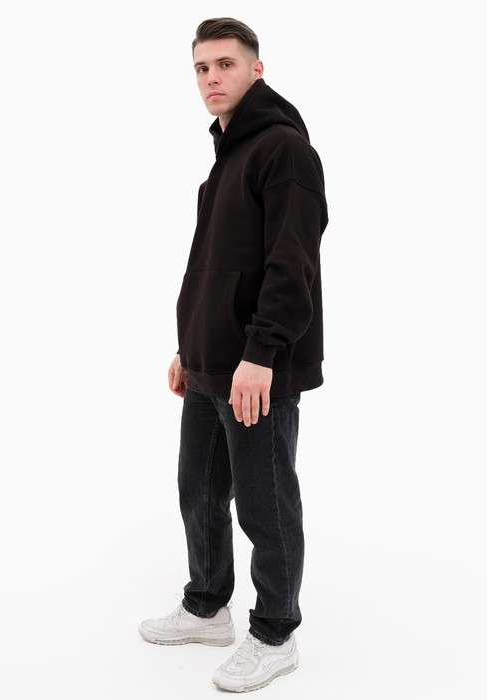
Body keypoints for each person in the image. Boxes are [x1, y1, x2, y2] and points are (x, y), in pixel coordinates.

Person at [138, 17, 328, 693]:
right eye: (202, 67)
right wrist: (188, 346)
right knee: (198, 491)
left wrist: (261, 354)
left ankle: (275, 633)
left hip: (256, 370)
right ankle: (206, 607)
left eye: (225, 64)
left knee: (264, 503)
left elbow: (291, 264)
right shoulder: (225, 160)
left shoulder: (285, 152)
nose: (212, 78)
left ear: (257, 68)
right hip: (209, 365)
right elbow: (210, 267)